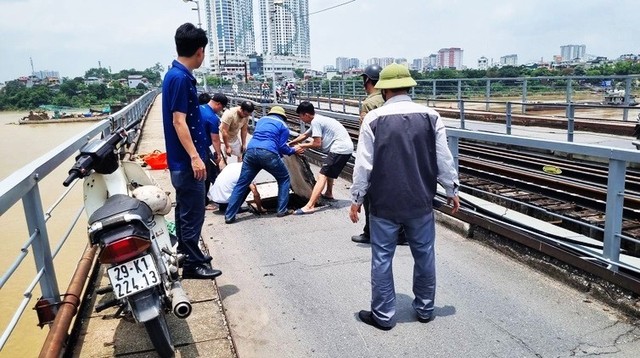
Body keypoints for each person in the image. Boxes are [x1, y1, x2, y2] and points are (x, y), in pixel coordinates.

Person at [349, 63, 460, 330]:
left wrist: (356, 199)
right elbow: (444, 158)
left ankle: (384, 316)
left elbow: (364, 164)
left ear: (384, 90)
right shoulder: (431, 116)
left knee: (382, 258)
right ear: (410, 87)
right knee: (424, 255)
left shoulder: (374, 119)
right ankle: (425, 309)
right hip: (420, 201)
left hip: (384, 203)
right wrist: (452, 190)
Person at [161, 23, 222, 280]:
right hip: (187, 162)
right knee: (193, 213)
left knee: (185, 211)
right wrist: (196, 158)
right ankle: (193, 266)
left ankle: (190, 255)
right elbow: (178, 121)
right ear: (200, 51)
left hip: (185, 160)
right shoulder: (179, 78)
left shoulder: (178, 76)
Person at [224, 106, 305, 224]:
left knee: (242, 183)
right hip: (268, 153)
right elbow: (282, 147)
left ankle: (229, 216)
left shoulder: (261, 120)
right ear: (283, 117)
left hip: (251, 152)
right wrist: (293, 150)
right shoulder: (283, 126)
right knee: (283, 178)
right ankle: (282, 210)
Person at [288, 101, 353, 214]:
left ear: (306, 115)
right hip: (343, 148)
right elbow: (304, 135)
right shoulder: (318, 119)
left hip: (340, 149)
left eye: (300, 116)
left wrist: (301, 146)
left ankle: (310, 205)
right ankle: (329, 193)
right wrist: (289, 144)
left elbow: (317, 143)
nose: (300, 119)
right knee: (327, 171)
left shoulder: (316, 122)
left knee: (322, 174)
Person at [351, 64, 384, 244]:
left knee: (369, 196)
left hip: (374, 155)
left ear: (367, 81)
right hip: (392, 155)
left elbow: (365, 133)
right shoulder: (389, 98)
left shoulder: (369, 103)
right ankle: (401, 233)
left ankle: (370, 232)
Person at [199, 92, 229, 209]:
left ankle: (206, 199)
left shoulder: (200, 108)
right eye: (221, 108)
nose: (220, 111)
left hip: (195, 146)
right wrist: (218, 155)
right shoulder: (212, 117)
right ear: (218, 104)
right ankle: (205, 202)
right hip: (203, 148)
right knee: (209, 173)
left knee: (207, 173)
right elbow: (215, 139)